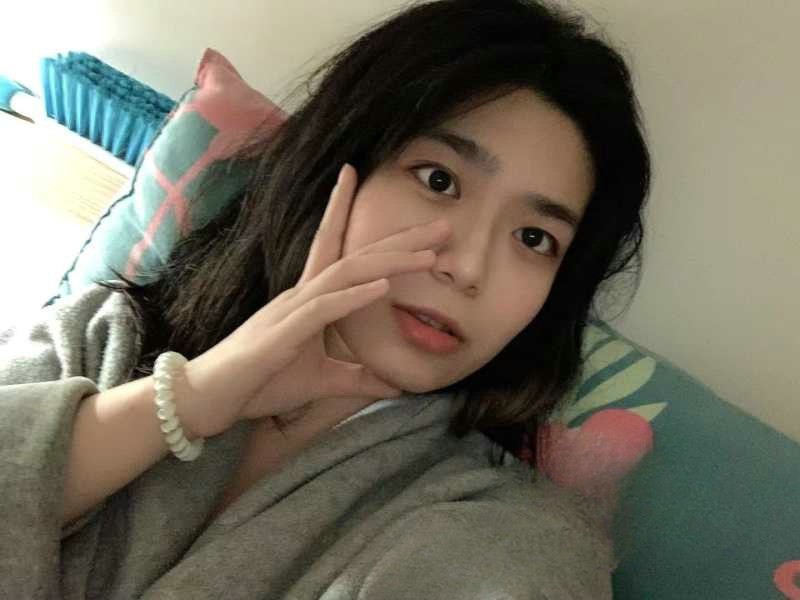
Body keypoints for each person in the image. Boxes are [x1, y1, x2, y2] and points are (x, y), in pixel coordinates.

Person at [0, 0, 650, 597]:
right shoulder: (102, 336)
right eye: (439, 180)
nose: (469, 267)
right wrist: (189, 399)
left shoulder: (512, 540)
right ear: (337, 164)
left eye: (534, 238)